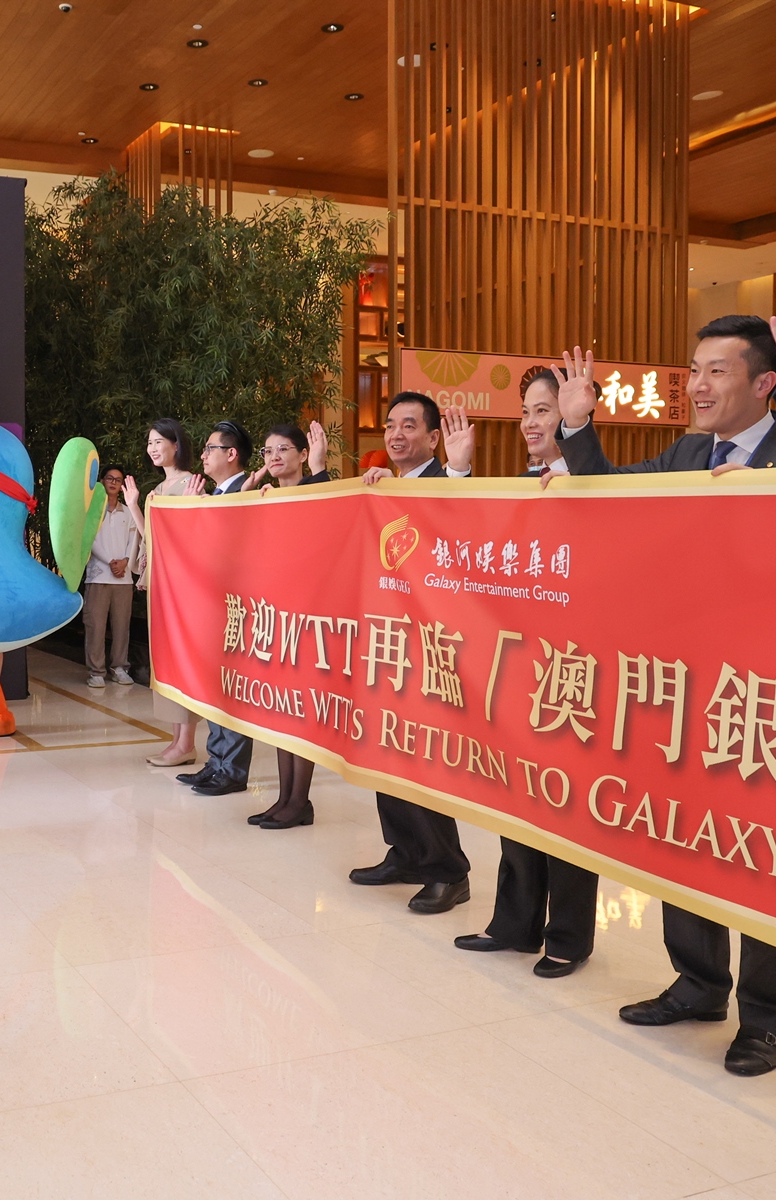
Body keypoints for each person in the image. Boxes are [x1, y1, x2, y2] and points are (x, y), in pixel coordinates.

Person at [554, 311, 776, 1077]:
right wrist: (579, 429)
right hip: (687, 685)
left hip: (771, 692)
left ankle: (767, 1016)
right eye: (694, 371)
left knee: (762, 855)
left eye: (717, 371)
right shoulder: (686, 452)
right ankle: (698, 982)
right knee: (687, 835)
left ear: (764, 384)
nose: (697, 386)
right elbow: (610, 496)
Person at [452, 370, 594, 977]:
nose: (531, 423)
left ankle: (568, 936)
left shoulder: (597, 485)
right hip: (517, 668)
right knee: (516, 800)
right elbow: (465, 543)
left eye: (545, 410)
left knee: (565, 808)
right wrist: (457, 474)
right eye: (527, 411)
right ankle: (514, 924)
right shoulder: (516, 486)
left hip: (574, 672)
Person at [349, 393, 477, 914]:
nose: (396, 435)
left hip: (433, 647)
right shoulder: (386, 488)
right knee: (386, 750)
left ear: (433, 437)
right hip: (388, 642)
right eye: (390, 426)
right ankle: (404, 853)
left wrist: (459, 470)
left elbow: (460, 524)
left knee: (422, 758)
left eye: (409, 425)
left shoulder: (446, 481)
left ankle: (449, 870)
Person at [238, 421, 329, 830]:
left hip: (309, 619)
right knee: (281, 710)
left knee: (302, 711)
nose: (273, 457)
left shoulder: (318, 492)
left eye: (282, 450)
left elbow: (329, 528)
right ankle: (285, 796)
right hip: (275, 617)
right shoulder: (267, 498)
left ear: (303, 454)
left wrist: (320, 469)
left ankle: (300, 801)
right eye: (267, 451)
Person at [177, 419, 257, 797]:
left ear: (231, 454)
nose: (204, 455)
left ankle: (233, 770)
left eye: (211, 448)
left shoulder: (249, 493)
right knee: (213, 686)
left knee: (233, 688)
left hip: (237, 607)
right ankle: (216, 761)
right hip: (210, 607)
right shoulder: (213, 495)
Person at [129, 418, 201, 768]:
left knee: (182, 660)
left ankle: (186, 742)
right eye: (150, 443)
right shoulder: (158, 489)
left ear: (176, 445)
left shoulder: (191, 484)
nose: (153, 448)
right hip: (162, 584)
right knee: (167, 660)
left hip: (183, 587)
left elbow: (192, 539)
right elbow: (153, 540)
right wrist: (134, 504)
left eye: (159, 441)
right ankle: (177, 740)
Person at [81, 465, 139, 689]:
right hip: (98, 576)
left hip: (123, 578)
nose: (113, 483)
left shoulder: (129, 512)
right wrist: (110, 561)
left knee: (121, 626)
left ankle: (120, 668)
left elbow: (134, 541)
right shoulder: (92, 511)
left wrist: (125, 561)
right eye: (109, 478)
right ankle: (96, 671)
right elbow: (89, 540)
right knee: (95, 626)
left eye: (118, 479)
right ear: (102, 481)